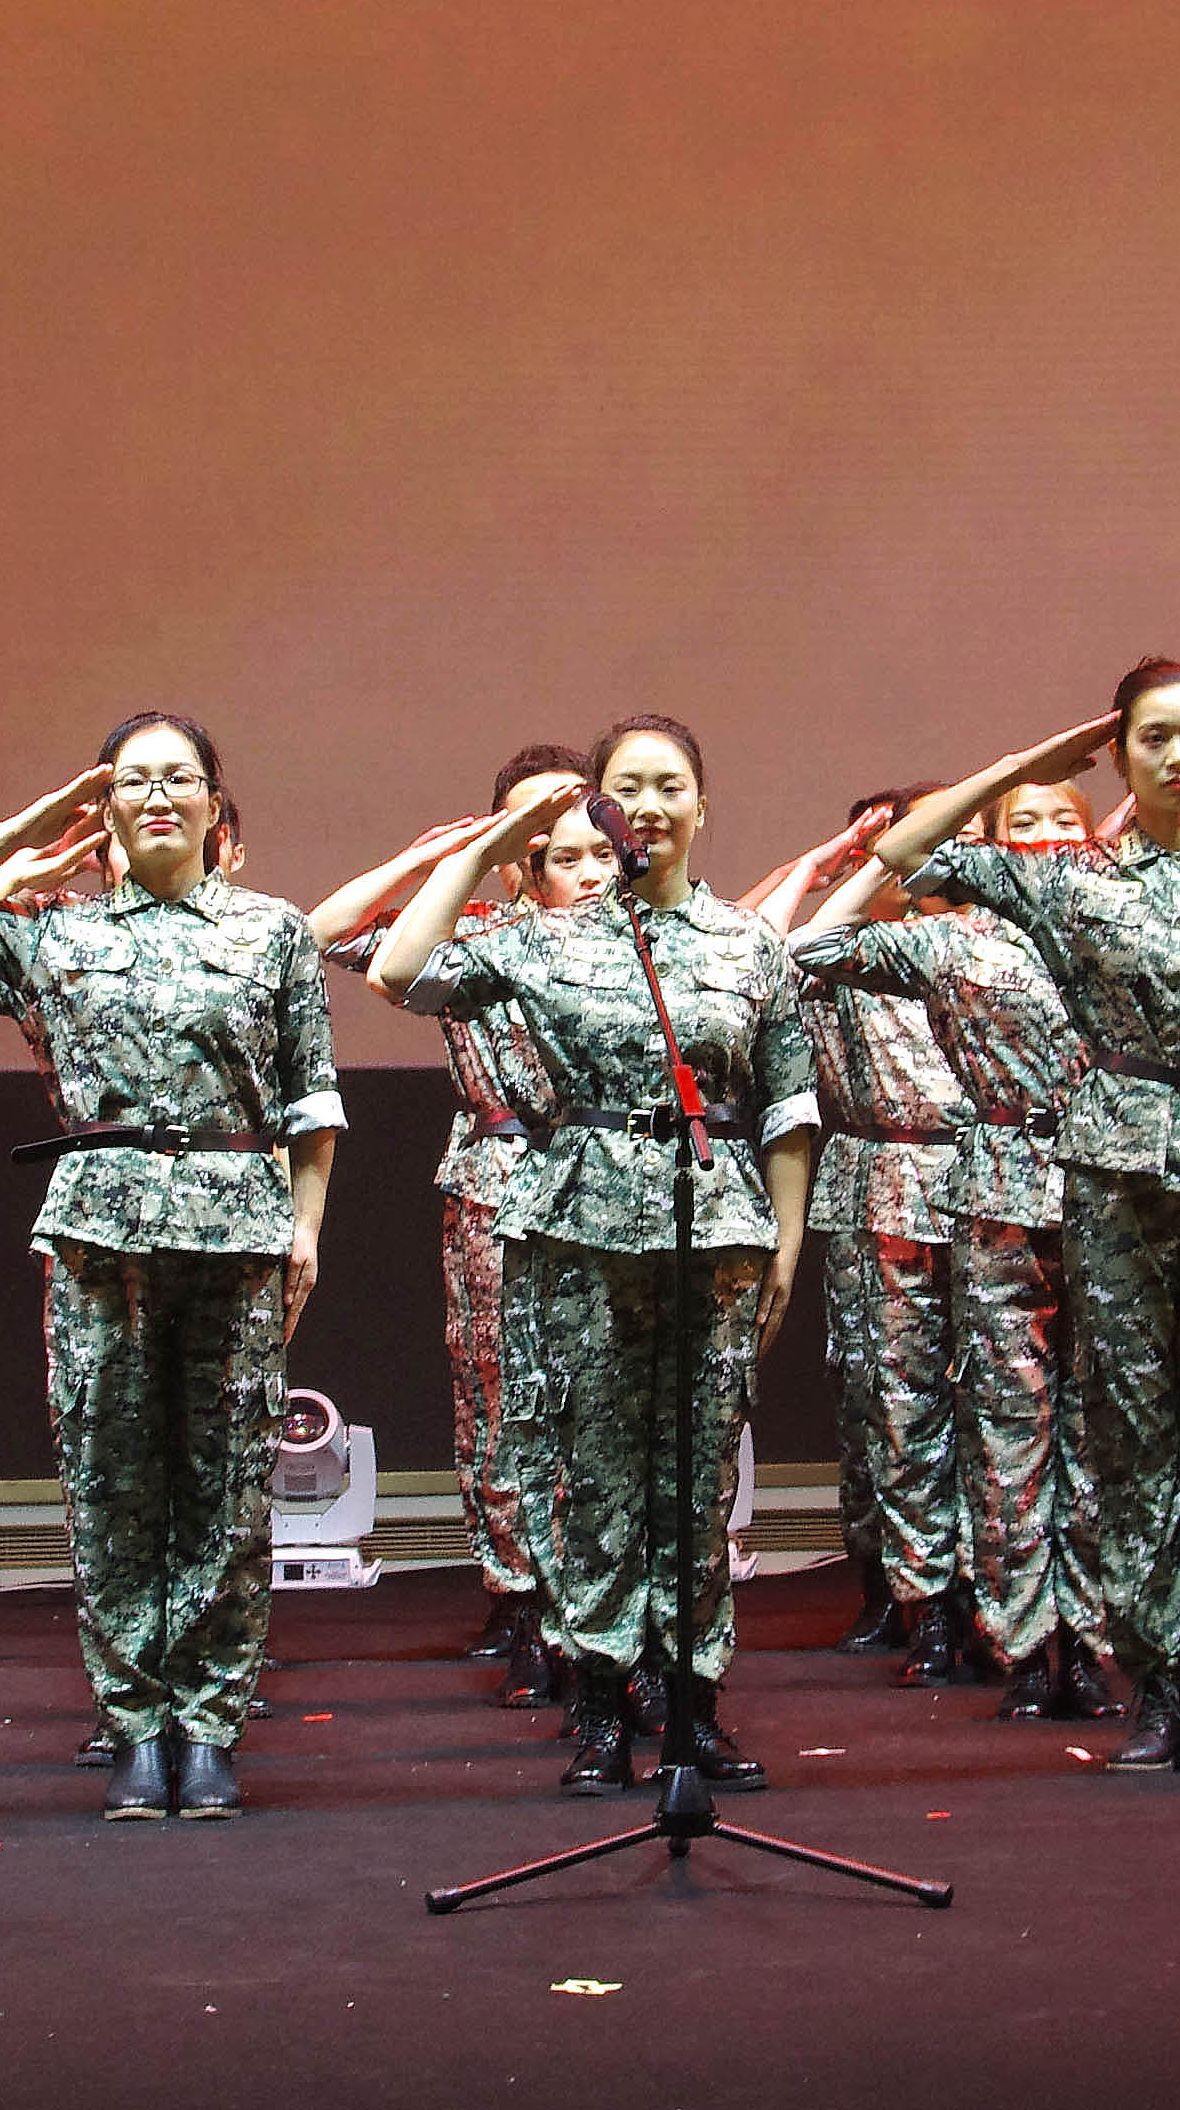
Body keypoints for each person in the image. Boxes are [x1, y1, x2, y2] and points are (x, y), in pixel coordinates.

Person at [815, 662, 1180, 1772]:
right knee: (1129, 1436)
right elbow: (903, 851)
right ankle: (1155, 1683)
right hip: (1117, 1176)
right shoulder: (1068, 881)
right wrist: (1025, 765)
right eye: (1153, 738)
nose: (1178, 757)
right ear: (1121, 753)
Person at [0, 715, 342, 1823]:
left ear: (213, 801)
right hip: (101, 1231)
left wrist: (306, 1228)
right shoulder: (57, 932)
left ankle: (211, 1725)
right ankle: (135, 1725)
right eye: (132, 781)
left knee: (228, 1490)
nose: (157, 797)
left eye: (179, 777)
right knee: (110, 1483)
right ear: (104, 806)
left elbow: (312, 1096)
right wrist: (38, 820)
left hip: (236, 1226)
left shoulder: (273, 931)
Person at [373, 717, 819, 1794]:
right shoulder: (549, 936)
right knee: (591, 1477)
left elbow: (788, 1106)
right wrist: (492, 843)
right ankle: (600, 1704)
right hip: (578, 1229)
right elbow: (401, 970)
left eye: (671, 786)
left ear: (701, 806)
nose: (650, 807)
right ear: (599, 809)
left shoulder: (747, 943)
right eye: (629, 788)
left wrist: (787, 1240)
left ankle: (692, 1703)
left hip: (713, 1230)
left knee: (696, 1482)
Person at [788, 792, 1120, 1722]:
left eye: (1066, 822)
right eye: (1024, 826)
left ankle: (1084, 1636)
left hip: (1091, 1188)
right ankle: (957, 1613)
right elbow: (806, 945)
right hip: (957, 1191)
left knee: (1087, 1429)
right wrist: (856, 858)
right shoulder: (944, 942)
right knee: (941, 1416)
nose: (1047, 839)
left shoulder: (1108, 925)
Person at [309, 744, 606, 1691]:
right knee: (495, 1392)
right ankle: (516, 1594)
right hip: (495, 1173)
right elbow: (324, 935)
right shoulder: (467, 928)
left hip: (601, 1174)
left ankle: (590, 1604)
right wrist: (436, 858)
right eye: (533, 821)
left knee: (593, 1396)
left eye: (572, 815)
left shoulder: (626, 932)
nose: (554, 836)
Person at [759, 793, 986, 1687]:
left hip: (988, 1183)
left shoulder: (985, 945)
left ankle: (984, 1592)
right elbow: (772, 946)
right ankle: (902, 1588)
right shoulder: (843, 957)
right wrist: (833, 861)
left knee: (991, 1402)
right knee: (883, 1405)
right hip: (877, 1188)